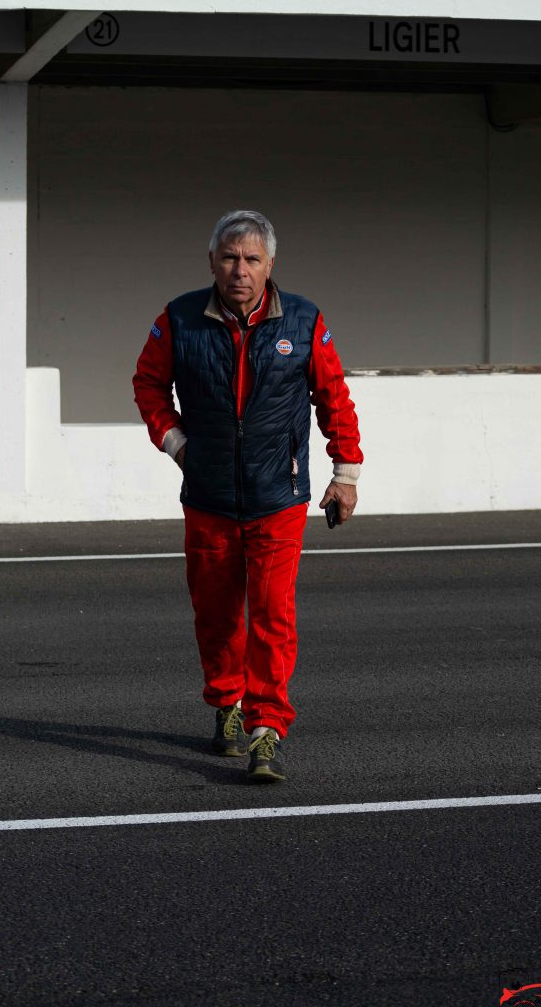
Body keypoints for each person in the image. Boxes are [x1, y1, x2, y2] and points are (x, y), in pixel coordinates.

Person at [133, 210, 362, 782]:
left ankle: (267, 729)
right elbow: (148, 383)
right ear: (212, 261)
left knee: (272, 614)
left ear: (270, 266)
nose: (240, 269)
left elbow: (332, 395)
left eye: (252, 259)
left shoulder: (304, 320)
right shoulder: (179, 317)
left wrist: (347, 472)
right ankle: (227, 706)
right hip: (207, 496)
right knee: (215, 617)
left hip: (277, 496)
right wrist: (176, 442)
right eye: (230, 258)